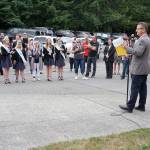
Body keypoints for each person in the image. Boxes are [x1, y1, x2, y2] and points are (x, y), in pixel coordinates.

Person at [119, 22, 150, 113]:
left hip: (139, 68)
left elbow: (139, 53)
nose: (136, 30)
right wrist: (130, 53)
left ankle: (130, 106)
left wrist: (126, 48)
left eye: (138, 28)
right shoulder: (147, 39)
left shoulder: (143, 40)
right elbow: (140, 53)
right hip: (144, 67)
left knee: (135, 88)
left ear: (143, 29)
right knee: (142, 88)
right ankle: (141, 106)